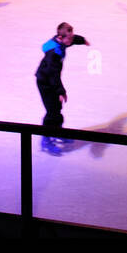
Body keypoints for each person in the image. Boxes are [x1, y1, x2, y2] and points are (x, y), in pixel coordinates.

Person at [35, 22, 90, 155]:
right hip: (45, 82)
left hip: (52, 81)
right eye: (69, 39)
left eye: (71, 38)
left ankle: (58, 132)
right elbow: (53, 75)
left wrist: (82, 40)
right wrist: (60, 91)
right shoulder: (54, 54)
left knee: (57, 109)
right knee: (52, 111)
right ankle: (46, 140)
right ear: (60, 37)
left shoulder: (63, 40)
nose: (71, 41)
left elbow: (73, 39)